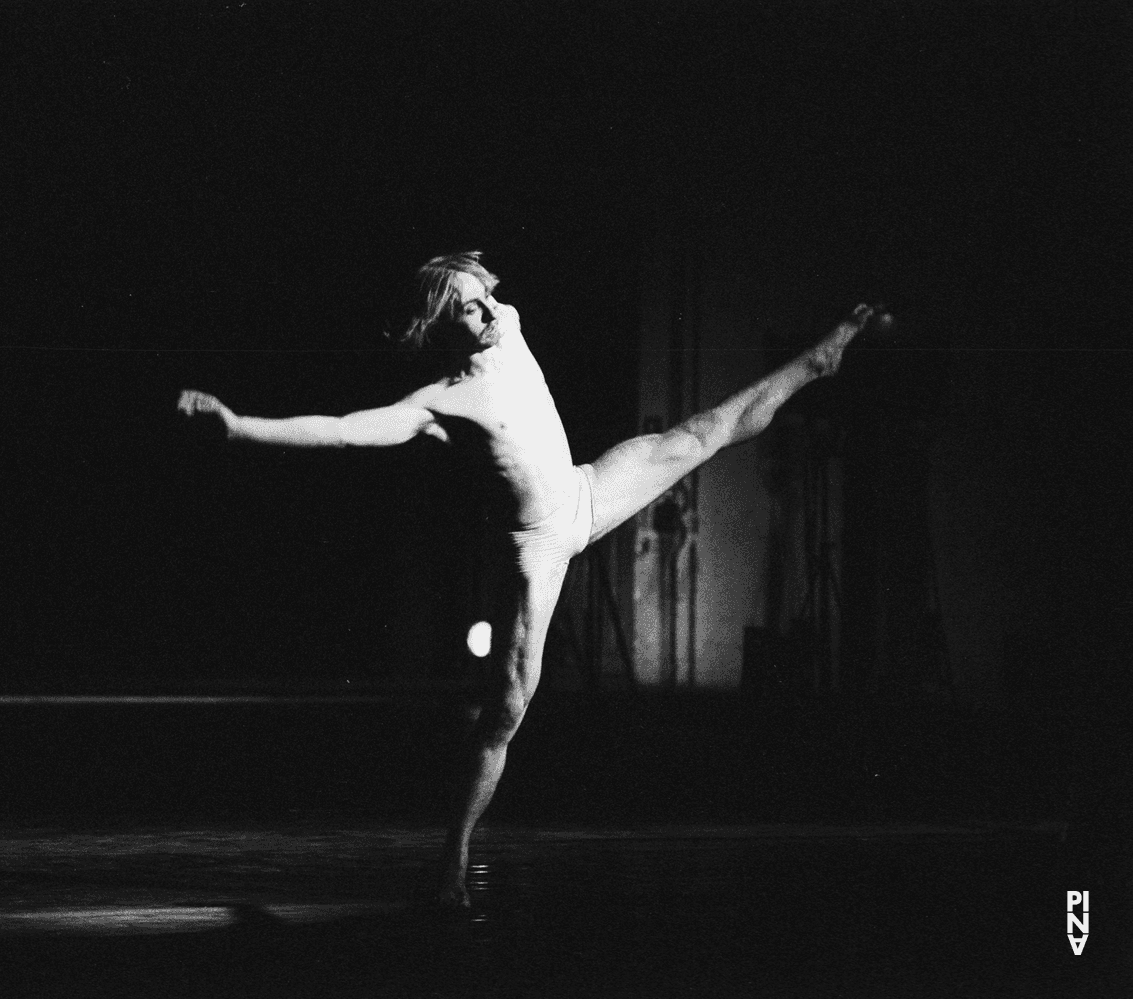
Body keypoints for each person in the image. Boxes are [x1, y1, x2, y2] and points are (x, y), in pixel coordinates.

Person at [178, 251, 882, 908]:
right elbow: (342, 429)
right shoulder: (443, 403)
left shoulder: (506, 326)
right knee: (507, 712)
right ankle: (453, 854)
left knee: (700, 434)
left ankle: (816, 360)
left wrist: (466, 276)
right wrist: (241, 427)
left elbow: (481, 287)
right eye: (469, 307)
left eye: (487, 297)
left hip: (586, 492)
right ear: (439, 326)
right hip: (537, 550)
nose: (490, 310)